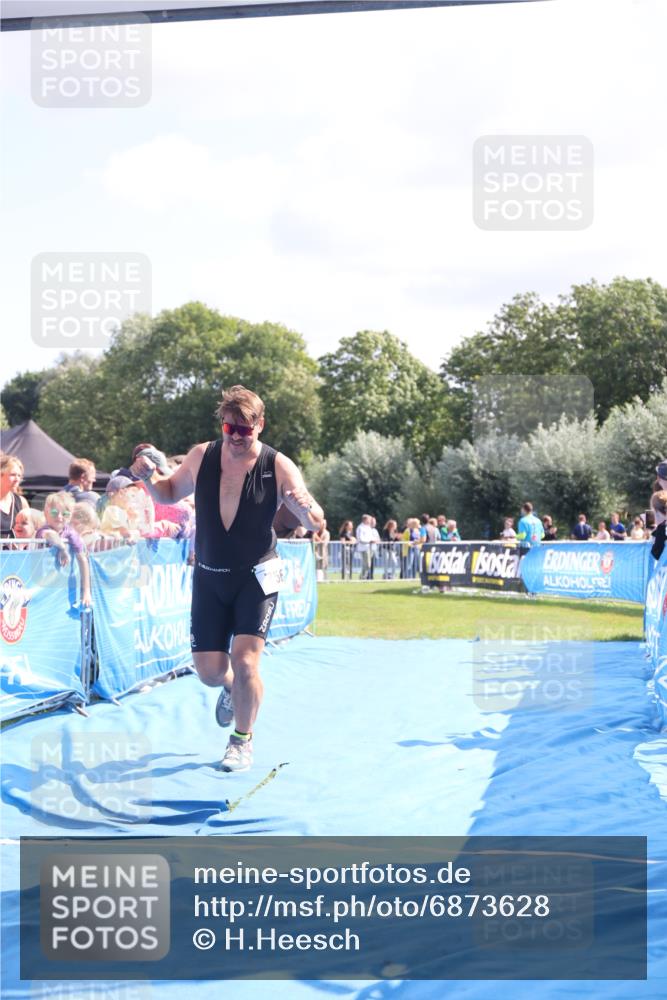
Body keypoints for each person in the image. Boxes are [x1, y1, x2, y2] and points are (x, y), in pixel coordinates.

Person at [132, 385, 323, 774]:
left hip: (256, 576)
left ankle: (241, 741)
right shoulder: (203, 455)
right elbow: (169, 493)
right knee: (210, 671)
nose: (236, 437)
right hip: (209, 576)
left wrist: (307, 511)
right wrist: (150, 478)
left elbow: (314, 519)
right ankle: (230, 689)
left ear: (260, 426)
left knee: (247, 660)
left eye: (245, 430)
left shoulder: (278, 465)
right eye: (229, 428)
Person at [35, 492, 92, 607]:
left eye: (65, 513)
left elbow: (83, 560)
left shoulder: (70, 532)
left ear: (70, 516)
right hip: (41, 583)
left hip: (60, 587)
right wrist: (63, 549)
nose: (60, 517)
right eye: (54, 512)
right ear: (46, 514)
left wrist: (86, 592)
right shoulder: (44, 529)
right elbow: (50, 535)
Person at [0, 454, 28, 538]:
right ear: (1, 475)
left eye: (19, 476)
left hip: (13, 551)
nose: (17, 479)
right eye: (12, 475)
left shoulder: (21, 502)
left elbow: (30, 529)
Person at [355, 514, 374, 580]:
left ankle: (363, 577)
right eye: (369, 519)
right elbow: (360, 539)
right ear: (365, 520)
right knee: (367, 564)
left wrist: (373, 540)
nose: (370, 521)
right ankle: (363, 577)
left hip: (369, 547)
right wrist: (369, 541)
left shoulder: (368, 527)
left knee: (367, 564)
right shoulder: (360, 527)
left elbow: (371, 536)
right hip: (363, 548)